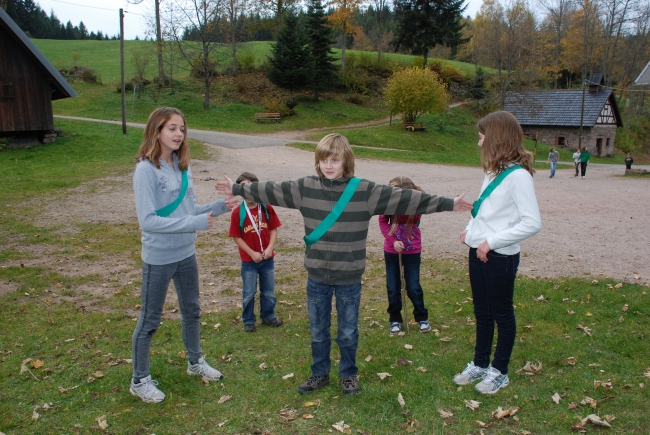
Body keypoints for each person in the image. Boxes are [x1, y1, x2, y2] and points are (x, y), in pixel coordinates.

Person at [216, 133, 473, 396]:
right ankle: (319, 373)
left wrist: (450, 203)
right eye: (324, 159)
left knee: (348, 332)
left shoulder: (365, 191)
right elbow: (271, 189)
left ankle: (348, 374)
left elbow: (406, 198)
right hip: (316, 276)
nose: (329, 165)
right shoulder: (305, 188)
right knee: (318, 330)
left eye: (335, 159)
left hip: (349, 276)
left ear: (346, 160)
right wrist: (237, 189)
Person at [131, 107, 233, 403]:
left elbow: (191, 212)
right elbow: (148, 221)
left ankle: (195, 362)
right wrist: (194, 223)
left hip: (185, 254)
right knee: (150, 320)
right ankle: (139, 380)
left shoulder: (181, 165)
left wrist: (221, 206)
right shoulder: (145, 170)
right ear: (156, 131)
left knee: (192, 310)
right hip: (159, 257)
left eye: (182, 129)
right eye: (172, 128)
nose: (179, 134)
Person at [454, 111, 541, 395]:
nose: (479, 144)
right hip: (477, 251)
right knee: (482, 312)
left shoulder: (519, 177)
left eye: (482, 138)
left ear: (496, 138)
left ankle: (499, 371)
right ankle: (480, 364)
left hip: (500, 257)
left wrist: (491, 242)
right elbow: (484, 209)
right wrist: (470, 229)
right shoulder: (493, 171)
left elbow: (532, 222)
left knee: (501, 313)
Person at [228, 172, 283, 332]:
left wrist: (269, 248)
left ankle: (268, 315)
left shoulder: (267, 207)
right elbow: (236, 237)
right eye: (243, 188)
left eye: (252, 188)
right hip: (249, 261)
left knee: (268, 291)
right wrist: (251, 253)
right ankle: (248, 320)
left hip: (267, 259)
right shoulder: (238, 212)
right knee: (249, 292)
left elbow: (273, 229)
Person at [379, 176, 431, 335]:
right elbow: (383, 222)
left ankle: (421, 317)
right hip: (392, 250)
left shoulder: (418, 204)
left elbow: (412, 218)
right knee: (393, 287)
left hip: (412, 250)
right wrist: (393, 240)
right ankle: (395, 318)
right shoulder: (387, 204)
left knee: (413, 286)